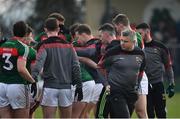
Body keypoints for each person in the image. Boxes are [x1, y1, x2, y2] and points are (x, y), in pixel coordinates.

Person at [31, 18, 83, 118]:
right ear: (58, 29)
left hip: (50, 88)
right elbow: (76, 66)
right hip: (66, 88)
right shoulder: (69, 45)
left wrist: (33, 80)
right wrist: (79, 85)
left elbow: (38, 65)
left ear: (45, 29)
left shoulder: (44, 45)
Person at [98, 29, 146, 118]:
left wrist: (137, 85)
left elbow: (141, 71)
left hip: (131, 92)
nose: (122, 43)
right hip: (115, 91)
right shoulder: (113, 52)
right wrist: (106, 83)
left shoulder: (140, 53)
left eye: (125, 41)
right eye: (121, 40)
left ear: (134, 42)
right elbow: (99, 67)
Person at [112, 14, 148, 118]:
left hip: (136, 76)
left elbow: (138, 58)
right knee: (126, 111)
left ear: (120, 25)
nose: (115, 29)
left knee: (141, 111)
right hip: (125, 76)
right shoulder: (124, 37)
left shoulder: (134, 36)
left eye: (115, 26)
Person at [136, 23, 175, 118]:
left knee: (161, 113)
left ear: (147, 32)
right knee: (148, 114)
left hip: (158, 85)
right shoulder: (137, 48)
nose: (138, 37)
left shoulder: (161, 47)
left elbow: (168, 66)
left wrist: (171, 83)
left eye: (140, 34)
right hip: (144, 86)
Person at [0, 21, 37, 118]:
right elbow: (21, 69)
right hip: (17, 85)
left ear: (13, 32)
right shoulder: (23, 48)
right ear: (25, 33)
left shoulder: (2, 45)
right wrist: (32, 81)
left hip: (2, 85)